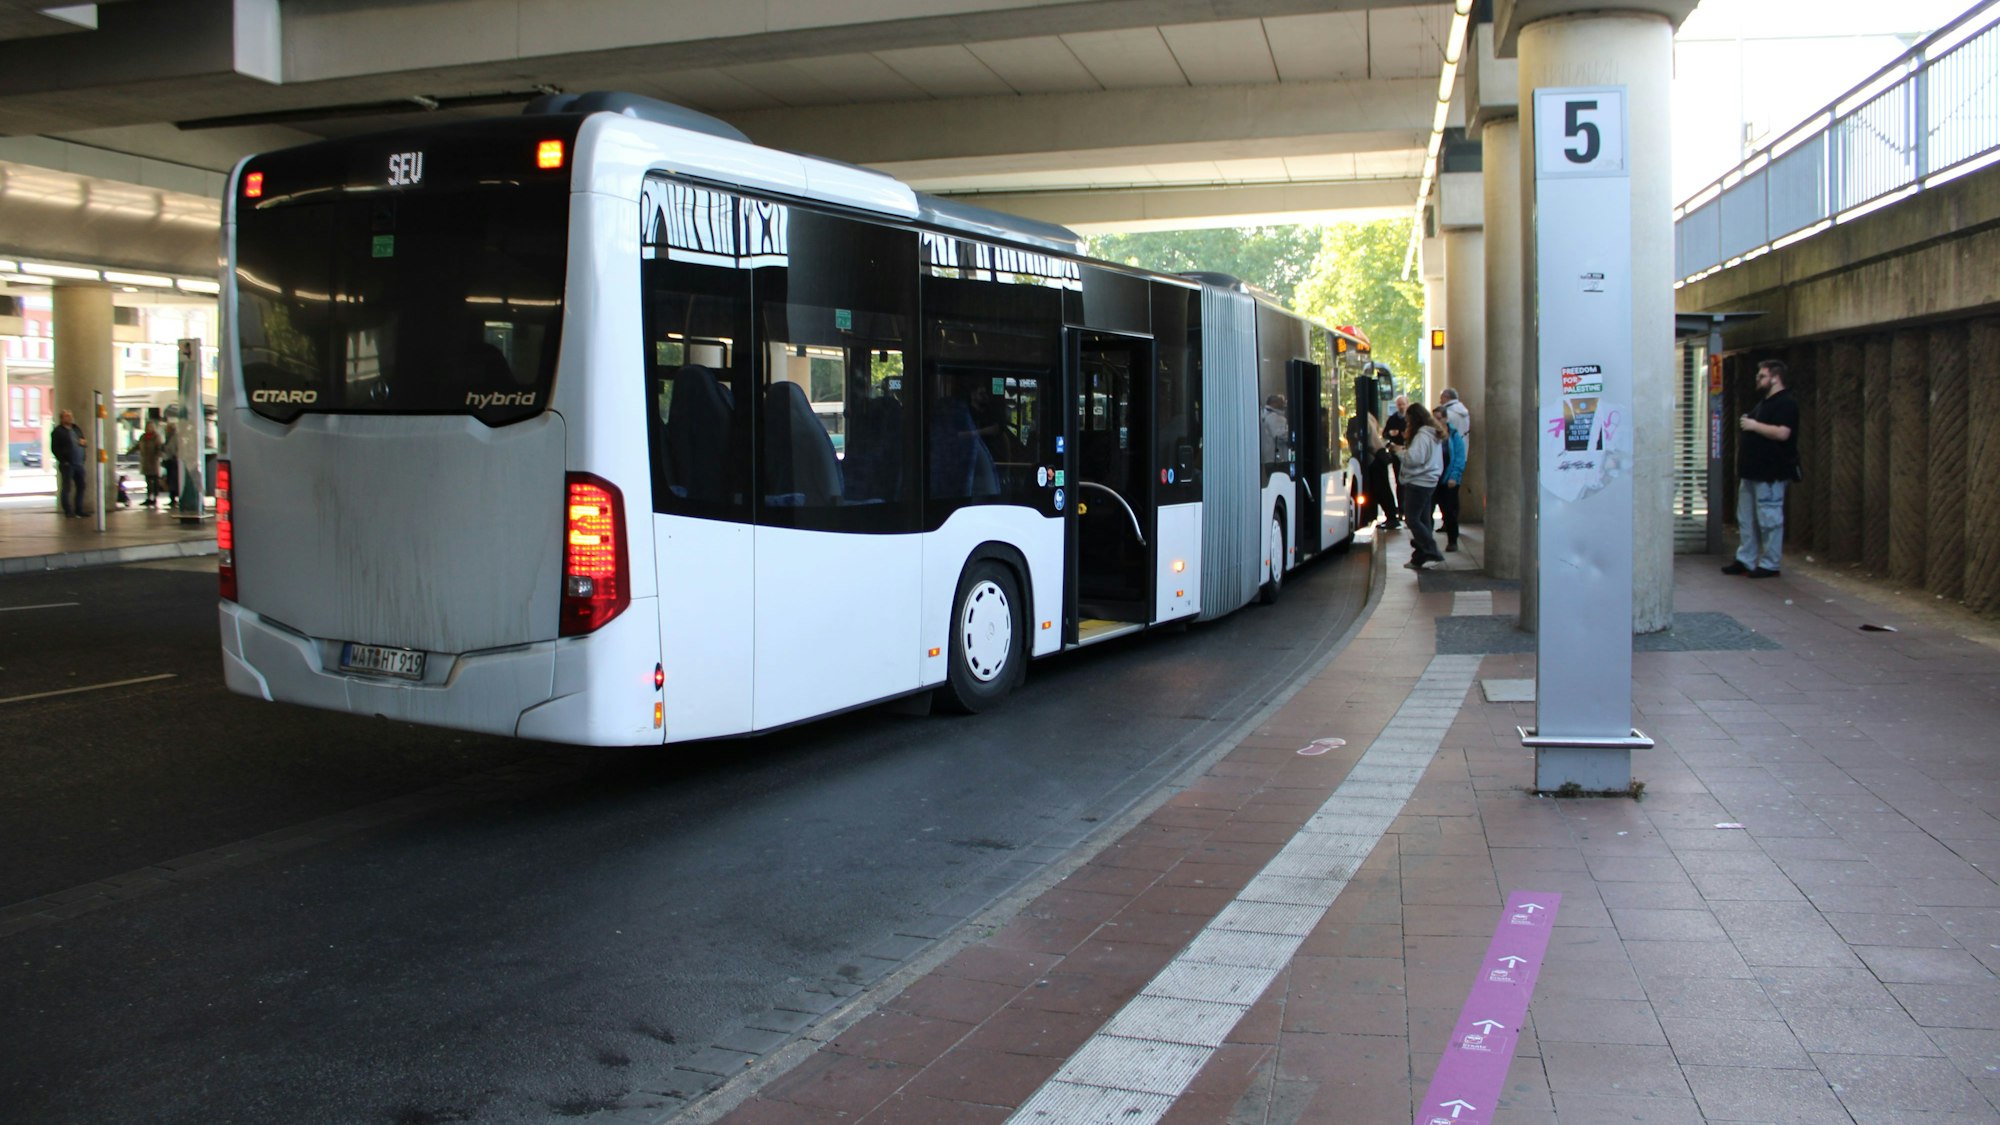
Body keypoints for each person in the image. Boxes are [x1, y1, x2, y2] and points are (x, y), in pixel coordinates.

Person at [1722, 359, 1799, 578]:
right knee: (1746, 518)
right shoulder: (1764, 402)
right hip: (1751, 472)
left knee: (1769, 518)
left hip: (1770, 473)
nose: (1758, 379)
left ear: (1776, 378)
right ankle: (1745, 558)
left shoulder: (1786, 403)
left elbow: (1783, 433)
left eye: (1762, 376)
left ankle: (1770, 563)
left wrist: (1754, 426)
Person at [1391, 402, 1446, 569]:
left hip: (1418, 481)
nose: (1407, 423)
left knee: (1412, 518)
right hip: (1429, 481)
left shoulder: (1422, 435)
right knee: (1423, 519)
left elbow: (1415, 459)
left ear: (1414, 419)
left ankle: (1430, 549)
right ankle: (1420, 555)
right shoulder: (1433, 434)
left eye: (1408, 420)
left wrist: (1399, 452)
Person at [1436, 402, 1467, 552]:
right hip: (1434, 479)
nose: (1436, 422)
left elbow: (1460, 458)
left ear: (1445, 419)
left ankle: (1452, 540)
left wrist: (1454, 476)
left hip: (1449, 480)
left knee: (1449, 511)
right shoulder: (1430, 436)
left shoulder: (1454, 437)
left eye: (1438, 418)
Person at [50, 408, 88, 519]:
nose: (70, 418)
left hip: (79, 463)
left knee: (81, 486)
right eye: (67, 416)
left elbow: (83, 441)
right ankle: (68, 510)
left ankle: (79, 509)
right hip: (68, 464)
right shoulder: (58, 432)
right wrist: (63, 460)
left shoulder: (76, 429)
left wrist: (84, 443)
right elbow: (54, 448)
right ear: (62, 418)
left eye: (70, 415)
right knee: (67, 487)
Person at [131, 419, 164, 507]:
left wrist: (158, 456)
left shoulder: (156, 437)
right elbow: (138, 445)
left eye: (150, 426)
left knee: (155, 480)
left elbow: (159, 448)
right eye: (147, 427)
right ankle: (149, 498)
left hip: (154, 461)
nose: (148, 428)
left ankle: (155, 498)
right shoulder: (143, 437)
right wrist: (130, 451)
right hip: (145, 461)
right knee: (148, 480)